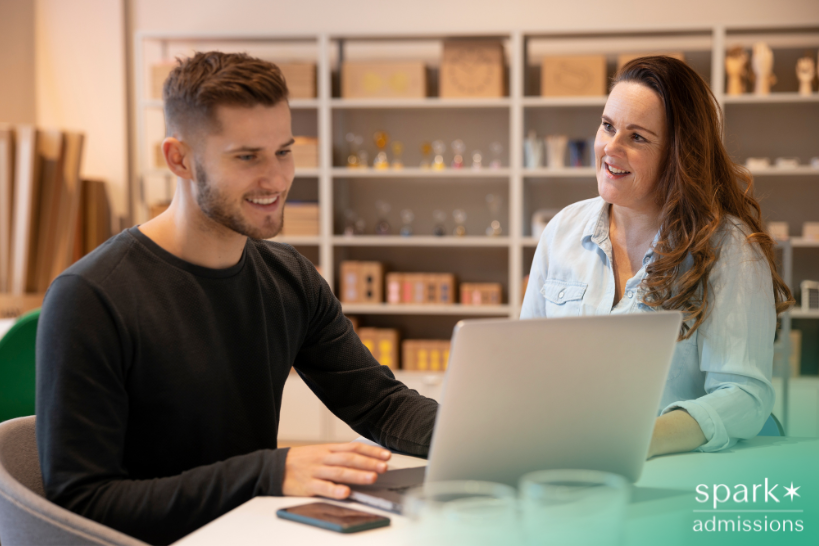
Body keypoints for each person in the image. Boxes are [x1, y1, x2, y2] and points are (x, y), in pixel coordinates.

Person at [36, 51, 438, 545]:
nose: (276, 179)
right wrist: (267, 474)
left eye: (284, 151)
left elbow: (381, 406)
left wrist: (489, 438)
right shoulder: (91, 297)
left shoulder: (290, 277)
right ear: (179, 158)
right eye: (247, 157)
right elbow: (82, 502)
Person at [521, 56, 793, 458]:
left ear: (679, 155)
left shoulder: (727, 248)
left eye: (637, 138)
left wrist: (642, 439)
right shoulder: (562, 231)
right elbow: (525, 366)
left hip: (681, 481)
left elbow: (744, 395)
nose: (610, 149)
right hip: (569, 464)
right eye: (608, 126)